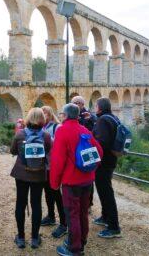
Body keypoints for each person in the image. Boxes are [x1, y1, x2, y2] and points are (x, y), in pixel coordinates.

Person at [50, 103, 103, 256]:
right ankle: (82, 240)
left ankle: (74, 248)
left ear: (65, 115)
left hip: (71, 182)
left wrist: (54, 183)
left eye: (61, 114)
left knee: (72, 214)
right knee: (82, 212)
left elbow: (58, 161)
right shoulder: (84, 129)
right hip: (87, 180)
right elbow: (99, 152)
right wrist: (92, 169)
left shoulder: (62, 131)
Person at [10, 108, 52, 250]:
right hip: (38, 174)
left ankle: (21, 238)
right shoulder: (46, 136)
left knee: (20, 203)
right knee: (36, 204)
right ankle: (35, 238)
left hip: (21, 173)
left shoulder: (20, 134)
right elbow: (49, 151)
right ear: (42, 119)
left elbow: (13, 151)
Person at [92, 97, 122, 238]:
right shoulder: (112, 117)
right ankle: (105, 217)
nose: (94, 107)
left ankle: (114, 227)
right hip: (111, 160)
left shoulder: (103, 120)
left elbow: (101, 143)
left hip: (103, 163)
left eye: (95, 105)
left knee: (106, 193)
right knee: (104, 190)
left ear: (99, 107)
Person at [40, 106, 67, 239]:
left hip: (54, 166)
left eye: (45, 113)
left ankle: (64, 222)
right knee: (47, 192)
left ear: (50, 115)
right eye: (41, 113)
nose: (43, 115)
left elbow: (59, 146)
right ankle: (51, 216)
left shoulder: (57, 127)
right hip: (44, 166)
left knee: (56, 193)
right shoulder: (40, 128)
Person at [71, 95, 97, 209]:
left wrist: (89, 119)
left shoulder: (88, 115)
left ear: (82, 104)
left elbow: (93, 131)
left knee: (88, 176)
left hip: (86, 149)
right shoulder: (72, 115)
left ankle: (88, 203)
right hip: (76, 150)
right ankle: (78, 201)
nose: (76, 105)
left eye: (78, 103)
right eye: (74, 103)